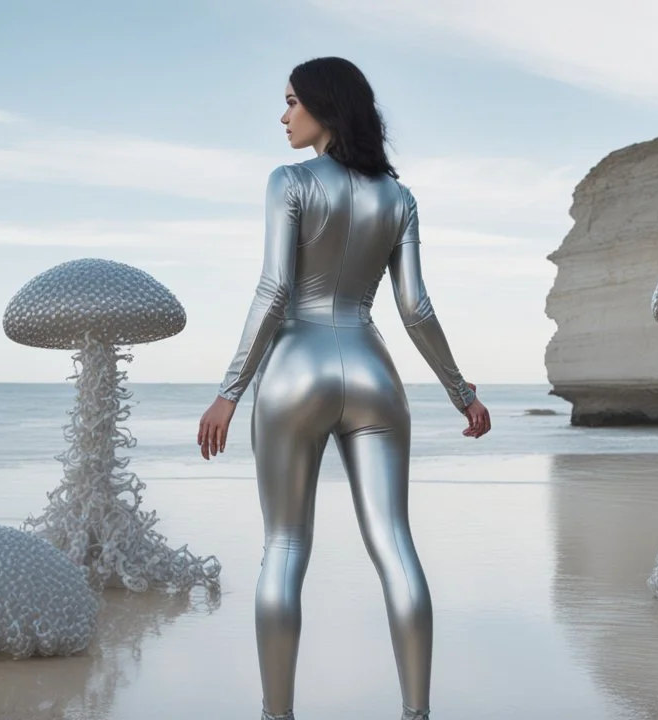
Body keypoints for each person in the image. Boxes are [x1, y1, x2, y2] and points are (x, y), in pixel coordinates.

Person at [196, 56, 492, 720]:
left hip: (296, 366)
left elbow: (275, 291)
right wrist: (460, 393)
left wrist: (229, 389)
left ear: (325, 108)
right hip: (373, 369)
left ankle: (278, 714)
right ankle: (417, 712)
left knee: (284, 547)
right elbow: (415, 309)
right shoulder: (400, 198)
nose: (284, 115)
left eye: (292, 101)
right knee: (395, 545)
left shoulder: (289, 183)